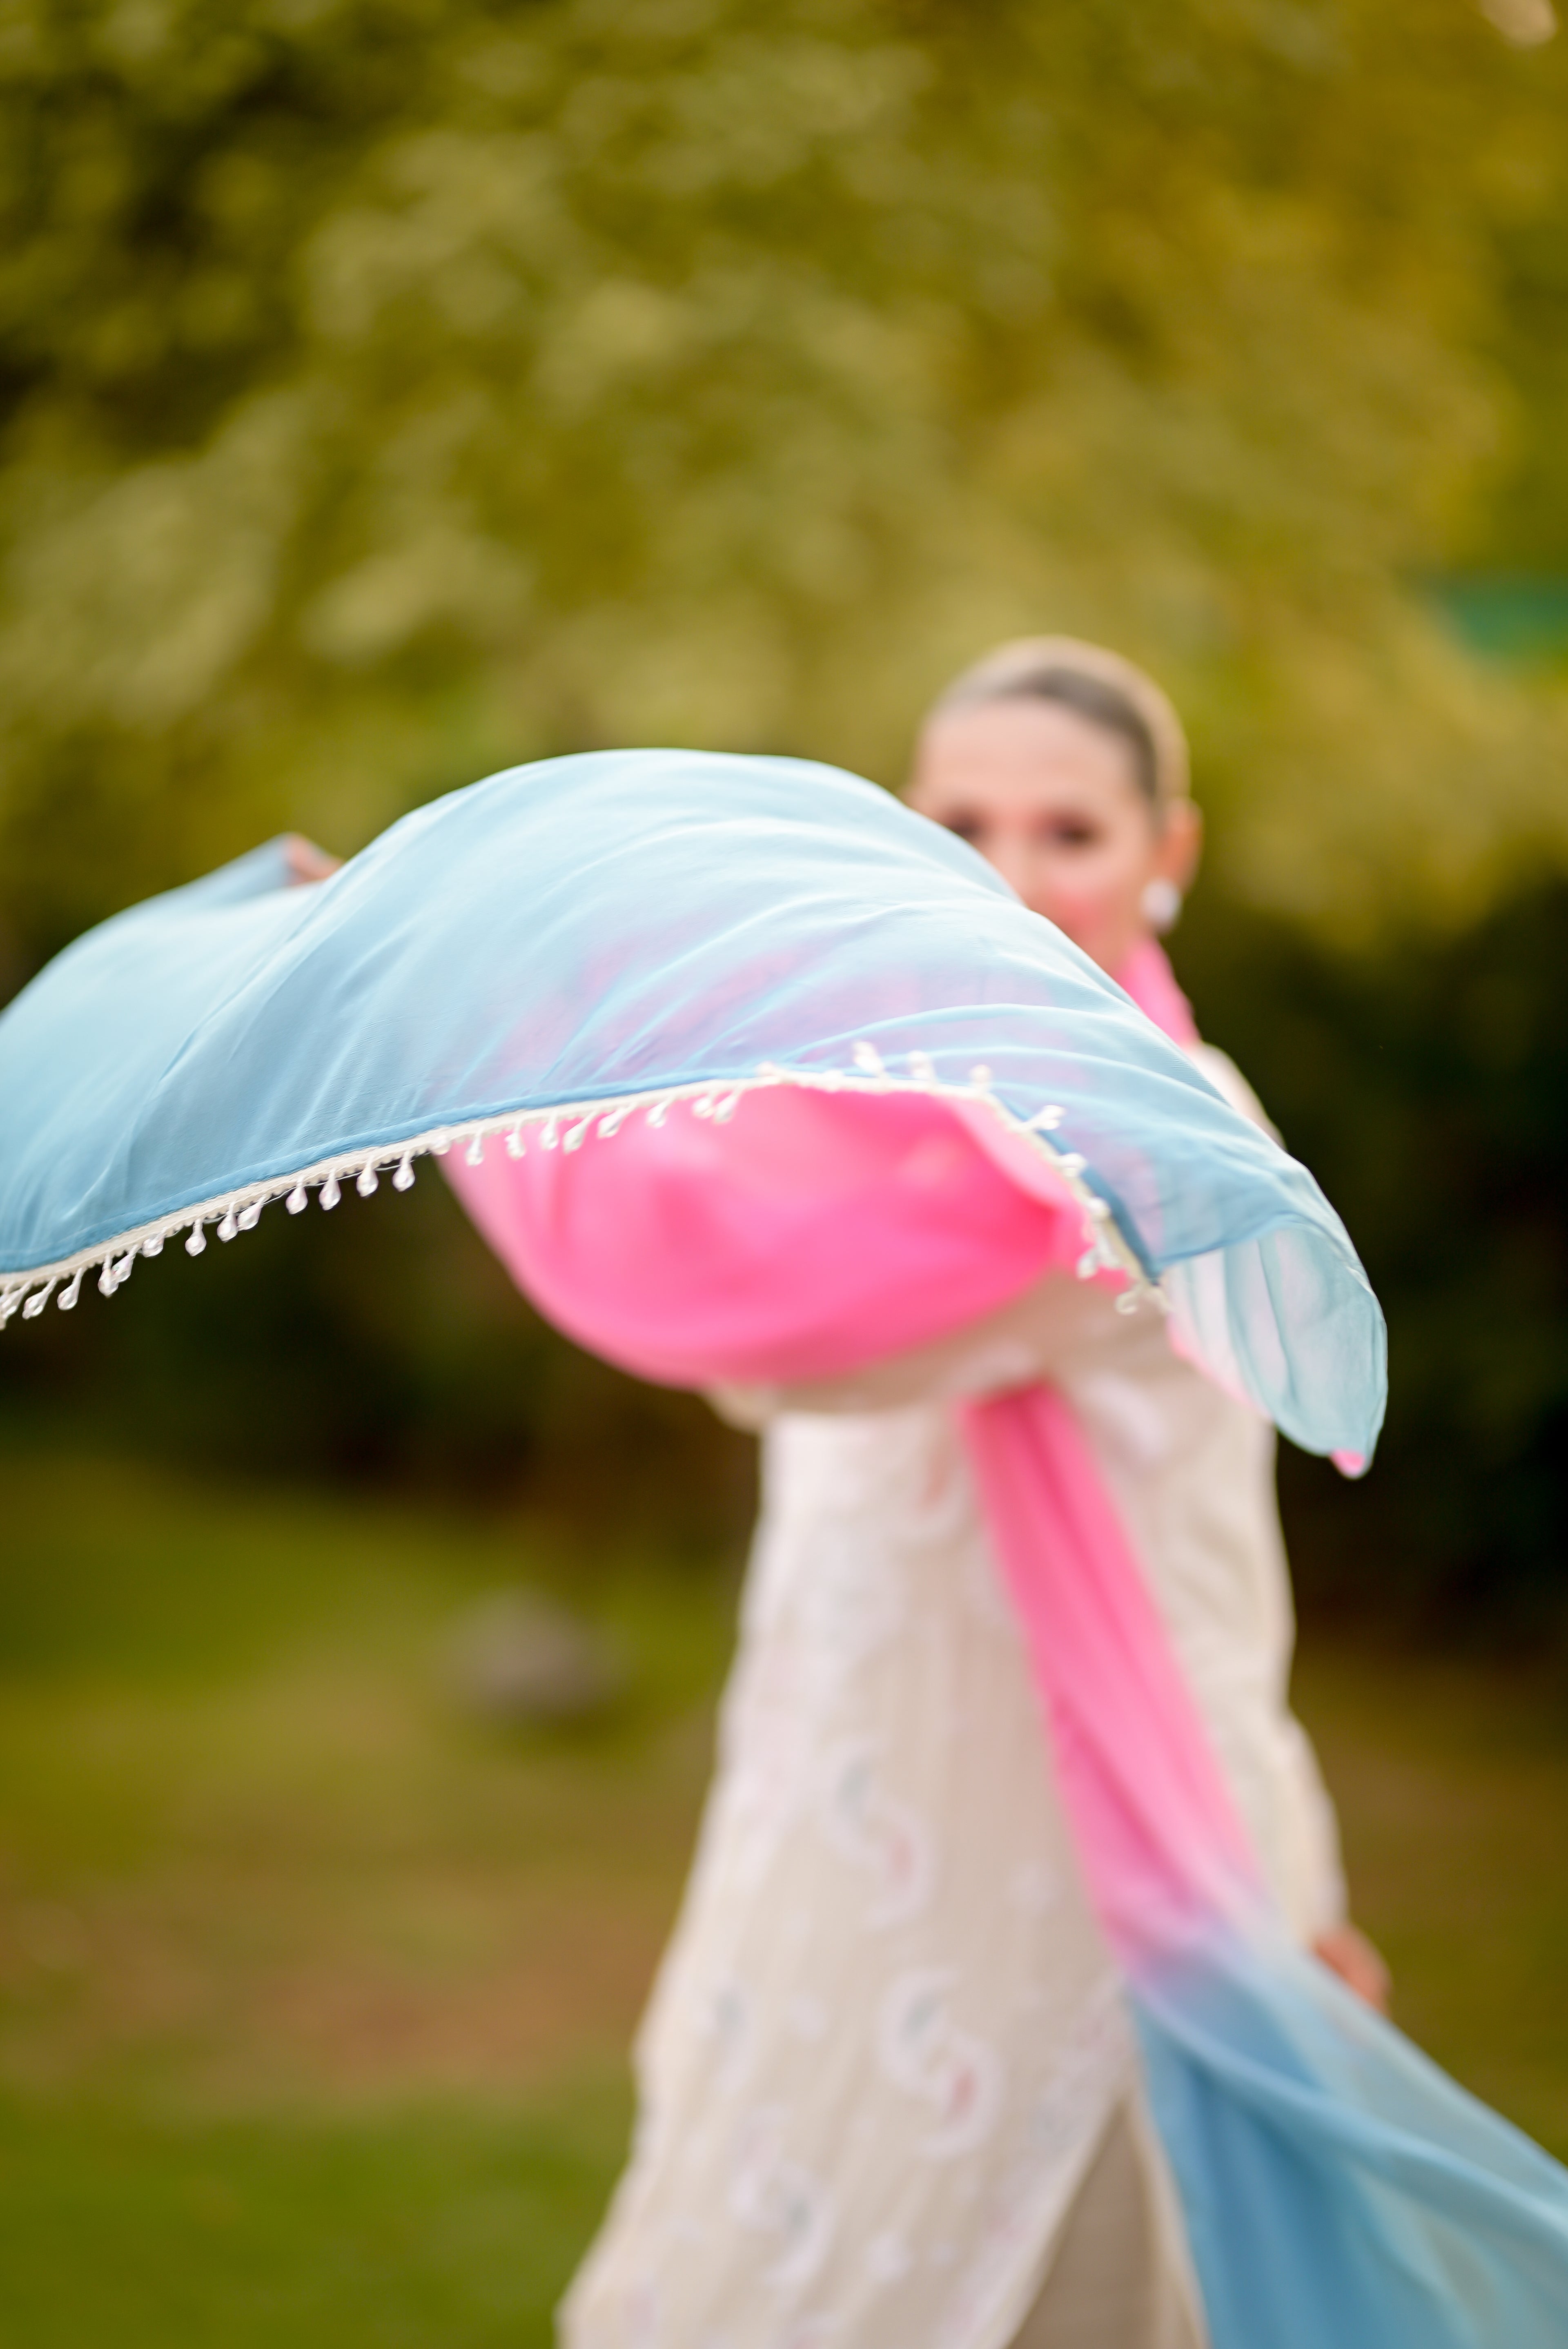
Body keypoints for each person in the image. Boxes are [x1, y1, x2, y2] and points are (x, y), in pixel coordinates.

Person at [559, 638, 1384, 2348]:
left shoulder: (1147, 1138)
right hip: (849, 1809)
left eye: (1071, 830)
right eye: (962, 821)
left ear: (1175, 851)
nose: (1012, 877)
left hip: (1086, 1868)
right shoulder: (886, 1108)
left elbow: (771, 1332)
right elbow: (738, 1204)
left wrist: (486, 1057)